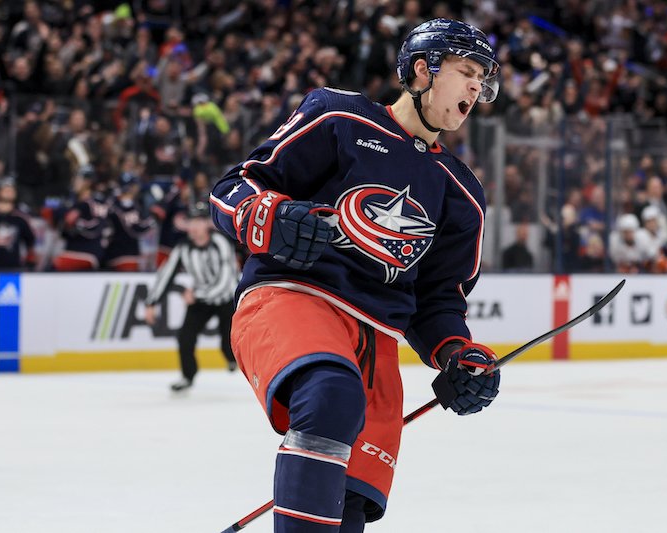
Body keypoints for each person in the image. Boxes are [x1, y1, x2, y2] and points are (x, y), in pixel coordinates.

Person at [208, 19, 502, 532]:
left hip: (376, 345)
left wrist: (459, 354)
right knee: (330, 395)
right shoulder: (340, 116)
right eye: (466, 71)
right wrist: (266, 216)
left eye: (483, 78)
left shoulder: (463, 194)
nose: (476, 87)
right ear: (421, 70)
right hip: (292, 299)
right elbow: (235, 186)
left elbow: (438, 301)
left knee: (348, 510)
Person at [144, 204, 240, 391]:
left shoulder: (221, 243)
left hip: (227, 299)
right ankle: (188, 376)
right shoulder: (183, 248)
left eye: (199, 221)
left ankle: (231, 359)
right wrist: (151, 302)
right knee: (185, 338)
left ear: (206, 224)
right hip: (201, 300)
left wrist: (195, 293)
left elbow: (225, 281)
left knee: (227, 344)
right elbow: (166, 274)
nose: (194, 227)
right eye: (191, 222)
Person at [0, 181, 36, 270]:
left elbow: (30, 241)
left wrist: (30, 261)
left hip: (12, 268)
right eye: (5, 190)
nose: (9, 192)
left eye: (11, 190)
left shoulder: (20, 217)